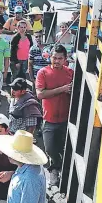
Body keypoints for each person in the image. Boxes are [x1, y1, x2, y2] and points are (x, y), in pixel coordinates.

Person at [36, 45, 73, 186]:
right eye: (54, 58)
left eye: (60, 58)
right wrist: (62, 89)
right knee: (50, 148)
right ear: (50, 57)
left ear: (65, 59)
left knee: (64, 148)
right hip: (49, 119)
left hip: (66, 119)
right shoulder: (43, 73)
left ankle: (60, 172)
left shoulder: (71, 72)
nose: (56, 61)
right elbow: (40, 94)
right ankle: (55, 168)